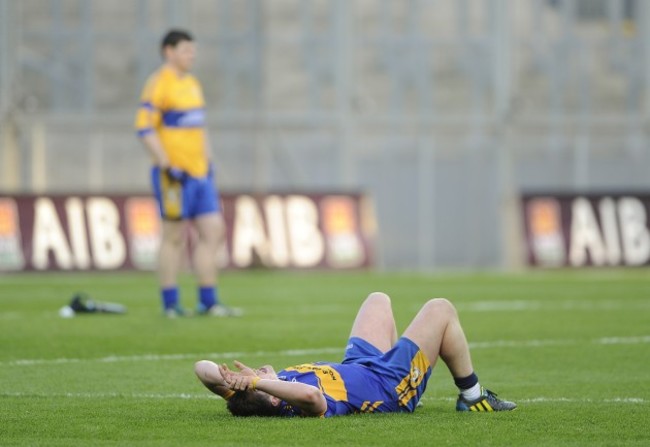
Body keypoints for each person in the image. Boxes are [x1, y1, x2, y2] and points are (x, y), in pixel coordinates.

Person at [194, 292, 516, 417]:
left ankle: (409, 365)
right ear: (274, 397)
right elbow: (313, 397)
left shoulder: (261, 394)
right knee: (440, 309)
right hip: (387, 387)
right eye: (260, 379)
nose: (259, 373)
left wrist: (236, 382)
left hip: (361, 365)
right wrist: (259, 384)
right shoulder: (294, 402)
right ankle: (472, 396)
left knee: (378, 301)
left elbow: (202, 369)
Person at [134, 29, 241, 318]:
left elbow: (199, 128)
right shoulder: (158, 84)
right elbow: (144, 129)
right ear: (169, 51)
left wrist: (209, 162)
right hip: (174, 176)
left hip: (200, 174)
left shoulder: (193, 84)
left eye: (193, 51)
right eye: (185, 50)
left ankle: (209, 301)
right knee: (174, 236)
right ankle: (171, 303)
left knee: (213, 230)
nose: (191, 55)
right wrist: (166, 164)